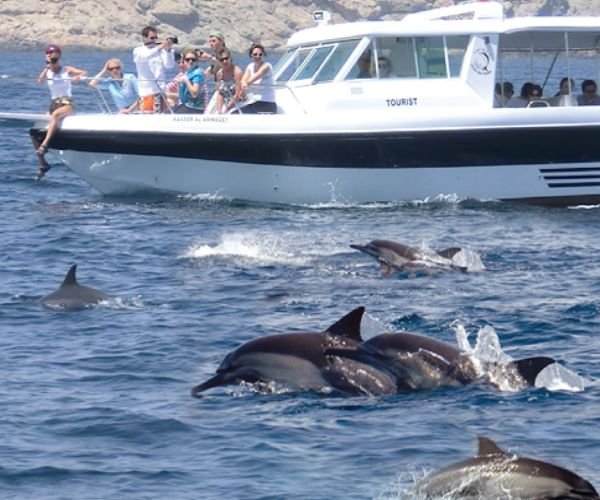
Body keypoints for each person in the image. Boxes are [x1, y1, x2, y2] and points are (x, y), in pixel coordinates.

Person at [33, 44, 87, 181]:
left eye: (54, 54)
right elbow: (39, 81)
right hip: (53, 103)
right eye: (49, 54)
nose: (52, 57)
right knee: (36, 127)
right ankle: (42, 163)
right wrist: (47, 67)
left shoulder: (66, 69)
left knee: (56, 116)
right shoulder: (47, 71)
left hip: (67, 103)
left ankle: (44, 145)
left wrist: (77, 77)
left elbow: (84, 72)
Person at [132, 26, 175, 113]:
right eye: (152, 38)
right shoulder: (138, 50)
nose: (154, 40)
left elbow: (169, 65)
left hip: (160, 90)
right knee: (147, 116)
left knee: (159, 116)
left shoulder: (160, 50)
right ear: (144, 38)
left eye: (156, 38)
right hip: (147, 91)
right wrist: (160, 47)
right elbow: (145, 56)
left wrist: (168, 50)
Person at [239, 43, 277, 114]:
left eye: (260, 54)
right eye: (255, 54)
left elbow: (253, 78)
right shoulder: (250, 66)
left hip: (267, 103)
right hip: (255, 102)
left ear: (263, 55)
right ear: (251, 55)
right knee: (234, 113)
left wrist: (243, 88)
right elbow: (244, 80)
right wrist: (243, 88)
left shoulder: (267, 66)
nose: (258, 56)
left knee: (239, 114)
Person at [214, 48, 244, 114]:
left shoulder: (237, 72)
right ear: (218, 61)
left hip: (239, 104)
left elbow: (237, 95)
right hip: (226, 103)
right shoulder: (219, 74)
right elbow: (220, 93)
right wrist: (219, 110)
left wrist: (226, 109)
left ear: (230, 58)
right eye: (221, 60)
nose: (224, 61)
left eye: (226, 58)